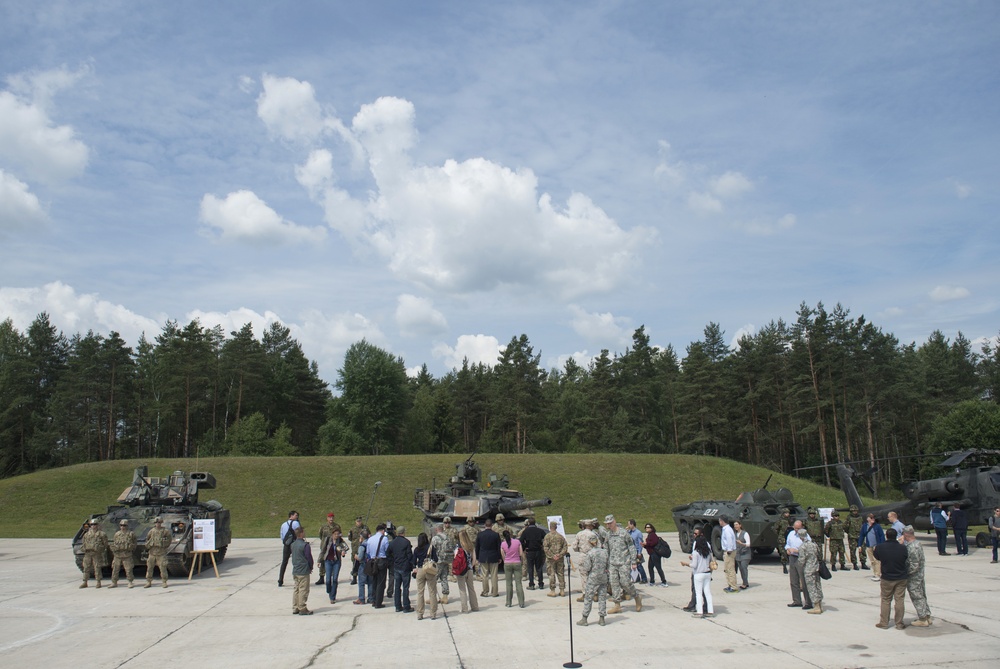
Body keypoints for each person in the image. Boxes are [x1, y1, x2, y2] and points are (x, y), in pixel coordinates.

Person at [600, 514, 642, 614]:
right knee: (614, 583)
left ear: (614, 522)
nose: (608, 526)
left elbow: (631, 547)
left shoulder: (624, 533)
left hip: (624, 562)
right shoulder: (608, 535)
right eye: (606, 524)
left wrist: (633, 561)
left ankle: (636, 596)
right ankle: (617, 605)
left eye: (610, 523)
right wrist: (605, 563)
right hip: (612, 563)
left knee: (625, 582)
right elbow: (606, 548)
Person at [873, 528, 908, 629]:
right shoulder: (903, 548)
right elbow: (906, 557)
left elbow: (877, 557)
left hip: (887, 577)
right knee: (899, 600)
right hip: (901, 577)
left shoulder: (880, 547)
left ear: (886, 536)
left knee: (886, 600)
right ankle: (899, 623)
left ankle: (884, 623)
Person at [902, 525, 932, 627]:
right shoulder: (918, 544)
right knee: (922, 595)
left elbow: (914, 565)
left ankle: (923, 618)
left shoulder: (912, 547)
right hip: (920, 575)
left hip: (914, 576)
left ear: (906, 534)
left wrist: (905, 573)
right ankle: (927, 615)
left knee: (917, 596)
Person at [576, 534, 609, 626]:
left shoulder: (590, 553)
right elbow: (608, 565)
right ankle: (602, 618)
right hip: (603, 576)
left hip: (593, 577)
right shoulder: (605, 552)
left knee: (588, 597)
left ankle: (585, 618)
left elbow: (587, 567)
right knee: (602, 597)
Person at [681, 534, 714, 618]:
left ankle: (700, 611)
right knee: (707, 592)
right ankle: (710, 611)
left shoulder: (696, 553)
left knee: (698, 593)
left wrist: (686, 564)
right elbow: (711, 562)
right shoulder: (709, 552)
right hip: (707, 573)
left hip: (698, 574)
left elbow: (694, 565)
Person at [785, 519, 812, 609]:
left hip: (801, 558)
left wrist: (796, 550)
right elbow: (787, 544)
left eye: (798, 528)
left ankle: (808, 602)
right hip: (792, 558)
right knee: (793, 580)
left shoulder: (806, 536)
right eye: (795, 528)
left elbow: (808, 548)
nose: (797, 530)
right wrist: (788, 549)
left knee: (804, 581)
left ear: (802, 527)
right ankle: (796, 600)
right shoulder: (791, 534)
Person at [387, 525, 414, 613]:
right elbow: (409, 556)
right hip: (405, 567)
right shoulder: (406, 542)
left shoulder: (392, 543)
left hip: (396, 566)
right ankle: (406, 606)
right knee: (405, 587)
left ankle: (398, 606)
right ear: (403, 532)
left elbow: (388, 553)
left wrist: (393, 561)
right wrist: (413, 565)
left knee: (397, 587)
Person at [412, 532, 438, 620]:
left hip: (420, 570)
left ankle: (420, 613)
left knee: (420, 592)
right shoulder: (430, 547)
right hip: (429, 570)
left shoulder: (416, 549)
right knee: (432, 592)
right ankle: (433, 613)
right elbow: (436, 559)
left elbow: (413, 561)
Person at [798, 528, 824, 614]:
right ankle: (820, 605)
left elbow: (802, 560)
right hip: (816, 568)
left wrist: (799, 566)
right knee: (818, 586)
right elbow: (819, 555)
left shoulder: (803, 546)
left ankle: (816, 607)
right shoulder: (814, 544)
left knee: (811, 587)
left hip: (809, 569)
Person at [683, 527, 708, 614]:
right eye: (693, 533)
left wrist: (686, 564)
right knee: (695, 588)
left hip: (700, 571)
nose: (694, 535)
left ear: (701, 535)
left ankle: (694, 605)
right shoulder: (695, 543)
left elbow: (707, 557)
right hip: (697, 570)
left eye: (696, 534)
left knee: (700, 589)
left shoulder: (706, 544)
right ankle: (702, 606)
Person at [474, 518, 501, 597]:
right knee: (494, 575)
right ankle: (494, 592)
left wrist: (477, 557)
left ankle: (485, 592)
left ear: (484, 525)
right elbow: (498, 547)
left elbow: (477, 547)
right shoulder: (496, 535)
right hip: (494, 556)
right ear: (492, 525)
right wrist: (499, 557)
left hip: (483, 556)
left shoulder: (480, 534)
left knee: (484, 575)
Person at [290, 527, 314, 615]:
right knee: (303, 589)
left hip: (295, 570)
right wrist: (310, 567)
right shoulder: (305, 545)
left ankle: (295, 607)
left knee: (296, 589)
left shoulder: (293, 544)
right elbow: (309, 557)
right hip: (303, 570)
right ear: (301, 533)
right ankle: (302, 607)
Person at [454, 530, 479, 613]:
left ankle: (464, 609)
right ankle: (475, 606)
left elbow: (456, 558)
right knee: (471, 588)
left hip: (461, 571)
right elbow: (474, 559)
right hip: (470, 570)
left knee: (462, 590)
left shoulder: (458, 547)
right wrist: (470, 566)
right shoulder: (471, 546)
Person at [366, 523, 390, 608]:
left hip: (373, 561)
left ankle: (373, 599)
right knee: (381, 582)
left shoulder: (370, 539)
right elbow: (387, 550)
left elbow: (368, 552)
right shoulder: (384, 539)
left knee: (374, 581)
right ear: (383, 530)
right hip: (381, 561)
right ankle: (378, 602)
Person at [80, 520, 109, 589]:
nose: (93, 526)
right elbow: (84, 543)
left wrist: (99, 548)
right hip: (88, 553)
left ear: (98, 525)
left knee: (97, 567)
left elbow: (105, 544)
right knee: (86, 567)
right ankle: (85, 581)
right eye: (92, 525)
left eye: (95, 524)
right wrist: (84, 548)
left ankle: (98, 581)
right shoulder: (86, 534)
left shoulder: (101, 534)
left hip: (96, 553)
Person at [323, 528, 349, 603]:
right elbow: (323, 550)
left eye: (338, 534)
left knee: (334, 579)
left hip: (336, 562)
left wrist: (342, 551)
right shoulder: (328, 540)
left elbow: (346, 548)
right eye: (335, 534)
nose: (336, 536)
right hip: (328, 561)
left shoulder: (340, 541)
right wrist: (320, 560)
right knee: (328, 580)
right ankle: (329, 590)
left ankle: (332, 597)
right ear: (332, 534)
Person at [519, 517, 546, 590]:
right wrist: (542, 545)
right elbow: (546, 538)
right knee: (539, 568)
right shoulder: (540, 530)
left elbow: (521, 541)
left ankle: (531, 584)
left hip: (529, 551)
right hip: (538, 551)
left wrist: (525, 547)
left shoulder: (526, 531)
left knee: (530, 568)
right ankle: (541, 584)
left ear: (528, 523)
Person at [542, 520, 568, 597]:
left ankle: (552, 590)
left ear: (550, 527)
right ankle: (562, 590)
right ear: (556, 527)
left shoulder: (547, 536)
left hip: (551, 559)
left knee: (551, 574)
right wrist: (559, 555)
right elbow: (565, 547)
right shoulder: (561, 536)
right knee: (560, 573)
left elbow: (545, 547)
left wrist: (552, 555)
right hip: (560, 558)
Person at [109, 519, 137, 588]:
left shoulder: (131, 534)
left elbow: (134, 544)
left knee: (128, 569)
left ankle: (130, 582)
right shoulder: (117, 534)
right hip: (117, 555)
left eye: (124, 525)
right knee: (115, 569)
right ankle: (114, 582)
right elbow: (115, 542)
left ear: (127, 526)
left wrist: (130, 549)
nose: (122, 527)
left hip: (127, 554)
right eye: (121, 525)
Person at [501, 530, 526, 608]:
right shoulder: (517, 542)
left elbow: (503, 555)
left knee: (508, 584)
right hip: (517, 562)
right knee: (518, 583)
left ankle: (508, 602)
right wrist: (521, 561)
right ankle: (521, 602)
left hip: (507, 563)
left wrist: (506, 560)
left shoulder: (503, 544)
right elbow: (521, 553)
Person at [145, 516, 171, 589]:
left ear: (161, 523)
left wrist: (164, 544)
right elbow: (147, 539)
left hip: (161, 553)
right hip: (152, 552)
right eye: (156, 522)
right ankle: (148, 581)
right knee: (149, 567)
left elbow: (169, 540)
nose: (157, 524)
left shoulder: (165, 531)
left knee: (163, 567)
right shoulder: (151, 531)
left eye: (159, 522)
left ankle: (164, 581)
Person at [316, 513, 341, 586]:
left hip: (333, 547)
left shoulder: (337, 526)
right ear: (327, 518)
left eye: (332, 517)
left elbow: (339, 535)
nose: (331, 519)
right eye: (330, 517)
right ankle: (321, 576)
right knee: (322, 560)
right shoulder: (323, 526)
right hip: (325, 546)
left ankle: (333, 577)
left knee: (333, 560)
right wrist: (324, 543)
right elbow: (320, 535)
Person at [278, 510, 301, 587]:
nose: (297, 517)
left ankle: (280, 580)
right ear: (291, 516)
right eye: (296, 515)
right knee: (296, 562)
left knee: (284, 562)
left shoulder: (283, 524)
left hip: (286, 545)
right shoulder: (296, 523)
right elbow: (299, 533)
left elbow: (281, 535)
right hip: (294, 544)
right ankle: (297, 580)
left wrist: (285, 542)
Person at [859, 513, 885, 581]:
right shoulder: (865, 526)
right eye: (871, 518)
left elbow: (882, 536)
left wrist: (880, 545)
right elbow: (862, 535)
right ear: (868, 519)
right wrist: (859, 545)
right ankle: (875, 572)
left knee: (877, 560)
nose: (873, 519)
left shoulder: (877, 526)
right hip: (869, 546)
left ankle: (878, 574)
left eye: (873, 518)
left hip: (876, 546)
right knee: (872, 561)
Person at [430, 524, 451, 604]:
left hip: (438, 561)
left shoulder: (435, 538)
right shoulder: (447, 537)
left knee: (433, 579)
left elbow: (432, 549)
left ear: (436, 529)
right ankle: (445, 597)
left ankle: (433, 597)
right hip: (446, 560)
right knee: (444, 577)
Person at [844, 504, 867, 570]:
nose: (855, 512)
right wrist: (849, 532)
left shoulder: (860, 517)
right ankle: (854, 564)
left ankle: (863, 563)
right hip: (852, 536)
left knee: (862, 550)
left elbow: (863, 525)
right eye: (853, 511)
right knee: (853, 550)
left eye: (856, 511)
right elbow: (845, 527)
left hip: (860, 536)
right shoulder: (849, 518)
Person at [720, 516, 739, 593]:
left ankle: (733, 587)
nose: (719, 522)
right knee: (727, 569)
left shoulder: (727, 530)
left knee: (730, 569)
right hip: (727, 551)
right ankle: (730, 585)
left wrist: (729, 550)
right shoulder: (726, 529)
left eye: (720, 521)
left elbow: (729, 540)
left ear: (722, 521)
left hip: (729, 552)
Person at [353, 528, 371, 605]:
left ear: (361, 537)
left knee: (361, 582)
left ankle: (361, 598)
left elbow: (360, 557)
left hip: (363, 565)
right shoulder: (371, 543)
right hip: (370, 564)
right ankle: (371, 598)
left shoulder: (362, 546)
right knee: (371, 582)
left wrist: (355, 556)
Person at [348, 516, 367, 586]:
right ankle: (354, 577)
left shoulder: (365, 528)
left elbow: (369, 535)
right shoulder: (352, 529)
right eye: (357, 521)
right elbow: (350, 538)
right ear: (355, 522)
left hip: (363, 547)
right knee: (354, 562)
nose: (359, 523)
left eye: (360, 521)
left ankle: (364, 578)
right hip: (355, 548)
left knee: (364, 562)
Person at [627, 519, 648, 584]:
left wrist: (639, 552)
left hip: (636, 551)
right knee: (633, 565)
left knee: (639, 565)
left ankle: (644, 578)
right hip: (631, 551)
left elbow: (640, 543)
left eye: (629, 524)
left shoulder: (638, 533)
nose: (628, 526)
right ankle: (637, 578)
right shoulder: (629, 532)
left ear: (632, 524)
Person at [773, 508, 792, 574]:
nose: (787, 514)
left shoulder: (790, 520)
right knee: (783, 553)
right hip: (782, 538)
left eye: (788, 513)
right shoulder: (780, 521)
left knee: (790, 552)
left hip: (789, 538)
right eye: (786, 513)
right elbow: (775, 529)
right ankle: (784, 566)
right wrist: (780, 535)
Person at [733, 520, 751, 589]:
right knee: (740, 569)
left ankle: (745, 583)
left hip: (745, 554)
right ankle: (745, 581)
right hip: (738, 554)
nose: (736, 526)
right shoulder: (734, 534)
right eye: (734, 525)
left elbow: (748, 544)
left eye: (737, 524)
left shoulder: (745, 533)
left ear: (740, 525)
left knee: (744, 568)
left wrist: (741, 543)